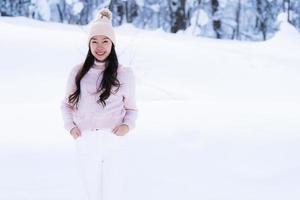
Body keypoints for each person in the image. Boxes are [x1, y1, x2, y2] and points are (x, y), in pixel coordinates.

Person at [60, 8, 138, 200]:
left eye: (105, 41)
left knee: (113, 193)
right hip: (86, 141)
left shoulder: (124, 73)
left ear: (112, 44)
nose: (99, 46)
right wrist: (71, 127)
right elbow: (66, 105)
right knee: (90, 193)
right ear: (89, 44)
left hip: (114, 142)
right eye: (94, 41)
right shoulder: (78, 72)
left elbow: (132, 109)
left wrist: (126, 126)